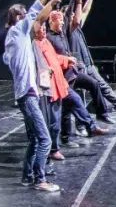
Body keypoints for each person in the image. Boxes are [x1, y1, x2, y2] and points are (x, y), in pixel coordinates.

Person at [4, 0, 61, 192]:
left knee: (34, 140)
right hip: (28, 96)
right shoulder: (17, 30)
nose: (29, 17)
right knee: (45, 140)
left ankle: (27, 176)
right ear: (19, 17)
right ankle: (40, 179)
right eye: (24, 14)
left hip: (25, 95)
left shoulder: (14, 39)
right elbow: (37, 11)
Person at [34, 18, 108, 161]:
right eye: (40, 28)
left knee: (76, 100)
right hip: (50, 87)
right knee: (55, 121)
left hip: (61, 83)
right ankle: (53, 149)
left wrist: (67, 60)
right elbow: (40, 64)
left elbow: (54, 57)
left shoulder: (46, 41)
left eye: (43, 28)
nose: (43, 30)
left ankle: (91, 127)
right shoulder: (36, 44)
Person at [67, 0, 116, 115]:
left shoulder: (78, 27)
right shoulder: (67, 30)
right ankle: (82, 121)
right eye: (72, 14)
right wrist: (76, 1)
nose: (76, 15)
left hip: (88, 64)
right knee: (80, 95)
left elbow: (85, 11)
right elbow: (76, 17)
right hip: (78, 67)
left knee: (103, 86)